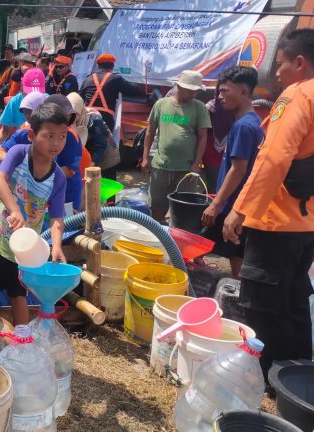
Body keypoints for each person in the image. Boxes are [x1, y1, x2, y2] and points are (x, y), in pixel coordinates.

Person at [222, 29, 314, 378]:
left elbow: (273, 159)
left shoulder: (297, 96)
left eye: (281, 65)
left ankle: (265, 377)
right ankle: (298, 378)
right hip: (306, 225)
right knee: (293, 303)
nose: (276, 74)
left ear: (300, 63)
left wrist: (240, 209)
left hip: (275, 221)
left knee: (262, 306)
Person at [0, 103, 68, 325]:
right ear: (32, 135)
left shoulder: (58, 178)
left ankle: (21, 344)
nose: (56, 143)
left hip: (24, 248)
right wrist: (15, 210)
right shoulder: (18, 153)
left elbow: (56, 219)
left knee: (18, 295)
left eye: (62, 136)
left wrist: (56, 246)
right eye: (49, 135)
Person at [199, 67, 263, 278]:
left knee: (195, 249)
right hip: (239, 204)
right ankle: (237, 295)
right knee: (237, 253)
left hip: (230, 206)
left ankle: (197, 291)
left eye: (225, 91)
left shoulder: (243, 126)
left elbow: (238, 169)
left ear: (244, 92)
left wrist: (216, 204)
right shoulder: (253, 122)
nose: (219, 96)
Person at [142, 70, 211, 221]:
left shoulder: (199, 107)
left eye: (195, 91)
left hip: (186, 169)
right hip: (161, 165)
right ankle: (158, 233)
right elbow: (150, 132)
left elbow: (202, 136)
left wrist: (197, 162)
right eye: (189, 90)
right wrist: (145, 158)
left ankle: (176, 237)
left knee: (183, 208)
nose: (192, 94)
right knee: (157, 205)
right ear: (178, 87)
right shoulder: (161, 104)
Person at [79, 53, 145, 133]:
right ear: (112, 66)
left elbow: (79, 98)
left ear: (98, 66)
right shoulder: (115, 79)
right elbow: (133, 90)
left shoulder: (88, 79)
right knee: (104, 144)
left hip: (87, 118)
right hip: (105, 119)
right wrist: (146, 90)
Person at [0, 68, 45, 151]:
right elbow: (5, 131)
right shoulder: (14, 102)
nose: (32, 96)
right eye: (29, 92)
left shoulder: (49, 101)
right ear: (22, 86)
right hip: (20, 145)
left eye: (37, 92)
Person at [68, 92, 119, 179]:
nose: (72, 116)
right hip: (91, 152)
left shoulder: (93, 121)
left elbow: (100, 146)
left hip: (106, 154)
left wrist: (90, 165)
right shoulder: (69, 120)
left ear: (80, 110)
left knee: (103, 186)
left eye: (75, 114)